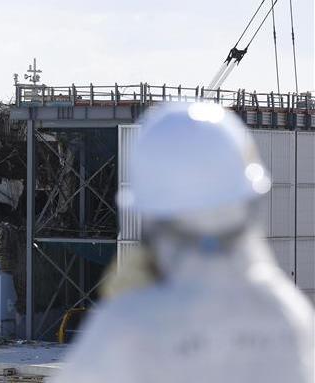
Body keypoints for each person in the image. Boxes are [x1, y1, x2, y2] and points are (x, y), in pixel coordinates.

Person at [50, 102, 314, 383]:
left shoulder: (128, 327)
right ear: (249, 202)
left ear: (149, 215)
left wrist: (122, 308)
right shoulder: (286, 313)